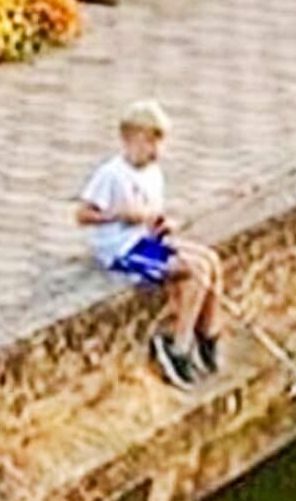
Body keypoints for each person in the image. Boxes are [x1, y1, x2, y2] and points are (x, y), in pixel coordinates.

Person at [76, 100, 224, 389]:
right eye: (150, 142)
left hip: (146, 240)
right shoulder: (111, 174)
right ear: (130, 138)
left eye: (159, 143)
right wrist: (118, 215)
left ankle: (208, 335)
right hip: (122, 248)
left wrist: (162, 224)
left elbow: (152, 213)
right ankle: (177, 347)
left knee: (210, 261)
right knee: (193, 271)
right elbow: (83, 215)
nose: (156, 151)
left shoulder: (153, 173)